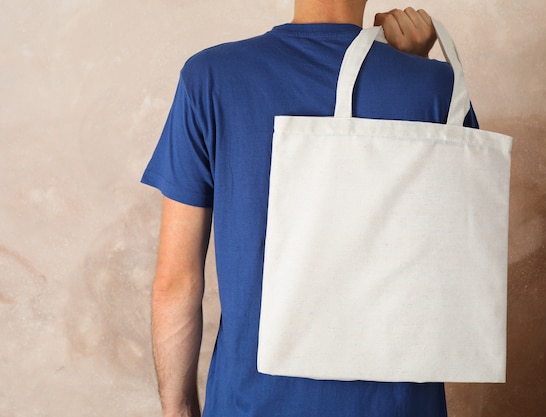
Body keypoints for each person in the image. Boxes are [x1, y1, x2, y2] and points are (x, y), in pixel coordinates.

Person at [142, 1, 479, 416]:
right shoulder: (436, 87)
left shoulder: (210, 77)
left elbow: (177, 281)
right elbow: (446, 262)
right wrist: (412, 72)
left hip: (251, 402)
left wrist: (178, 411)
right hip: (398, 406)